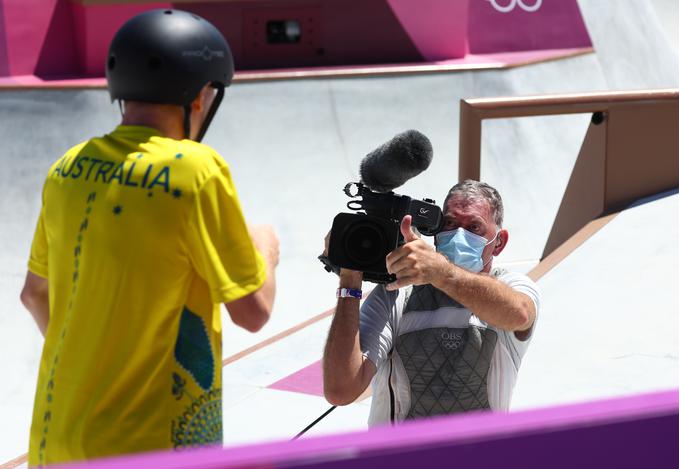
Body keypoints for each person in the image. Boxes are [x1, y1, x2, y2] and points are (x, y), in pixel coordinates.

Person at [19, 9, 279, 466]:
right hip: (146, 446)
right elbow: (253, 311)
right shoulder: (195, 170)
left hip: (54, 438)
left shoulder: (68, 168)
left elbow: (34, 294)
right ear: (200, 96)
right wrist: (267, 249)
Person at [323, 180, 539, 425]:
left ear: (499, 242)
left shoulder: (512, 286)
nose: (459, 234)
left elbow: (519, 315)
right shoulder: (398, 292)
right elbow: (341, 390)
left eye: (474, 227)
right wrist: (350, 279)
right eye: (449, 223)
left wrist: (442, 272)